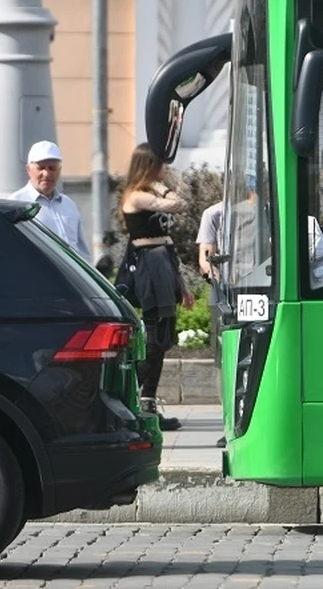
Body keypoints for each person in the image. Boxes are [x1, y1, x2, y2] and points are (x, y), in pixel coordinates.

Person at [119, 143, 195, 431]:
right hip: (148, 265)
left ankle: (147, 402)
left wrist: (182, 283)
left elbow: (167, 239)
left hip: (164, 262)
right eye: (162, 163)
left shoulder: (150, 193)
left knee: (163, 336)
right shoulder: (136, 196)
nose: (167, 169)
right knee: (154, 334)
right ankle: (131, 399)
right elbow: (178, 204)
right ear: (148, 165)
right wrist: (160, 186)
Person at [9, 140, 91, 262]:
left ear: (60, 170)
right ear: (28, 170)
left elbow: (82, 252)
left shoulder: (69, 205)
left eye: (52, 168)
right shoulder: (15, 203)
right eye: (40, 168)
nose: (46, 174)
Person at [195, 199, 228, 449]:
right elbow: (205, 258)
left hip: (263, 285)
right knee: (224, 359)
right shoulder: (214, 214)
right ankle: (228, 423)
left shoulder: (270, 211)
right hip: (225, 291)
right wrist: (216, 278)